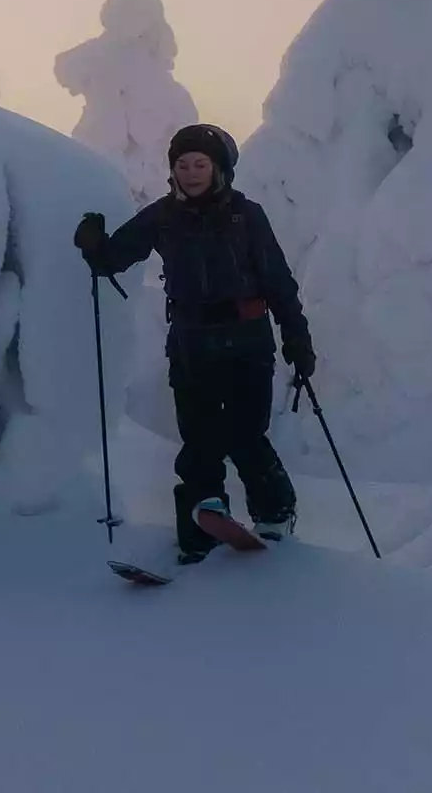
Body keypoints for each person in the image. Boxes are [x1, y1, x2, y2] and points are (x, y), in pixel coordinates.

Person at [73, 124, 315, 563]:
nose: (191, 172)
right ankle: (201, 524)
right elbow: (114, 257)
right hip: (191, 345)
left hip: (247, 344)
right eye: (182, 165)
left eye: (200, 164)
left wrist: (297, 339)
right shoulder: (163, 216)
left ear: (219, 167)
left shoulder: (247, 216)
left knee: (244, 434)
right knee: (199, 438)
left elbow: (279, 282)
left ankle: (275, 512)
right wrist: (94, 245)